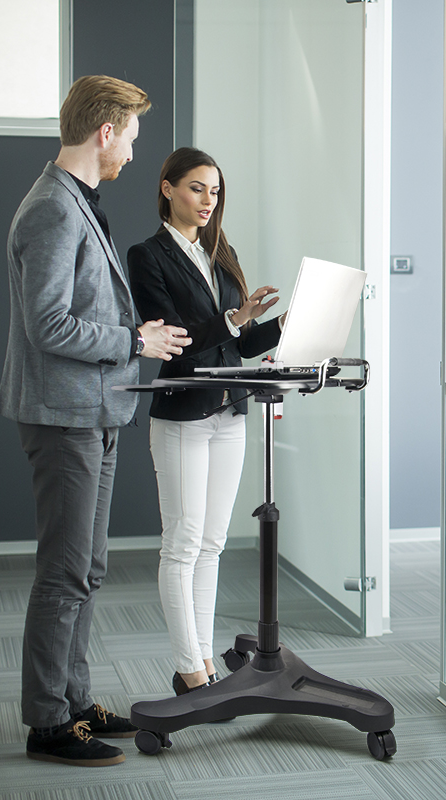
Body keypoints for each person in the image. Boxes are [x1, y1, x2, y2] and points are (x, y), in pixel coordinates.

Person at [0, 75, 191, 767]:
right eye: (131, 140)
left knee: (90, 567)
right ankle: (48, 722)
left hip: (96, 409)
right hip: (64, 415)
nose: (134, 155)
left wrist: (131, 333)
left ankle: (75, 703)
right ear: (105, 132)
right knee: (64, 570)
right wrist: (134, 343)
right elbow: (48, 324)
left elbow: (79, 309)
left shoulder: (76, 201)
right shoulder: (51, 209)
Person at [127, 147, 283, 699]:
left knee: (213, 542)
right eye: (196, 188)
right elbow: (178, 338)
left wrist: (285, 323)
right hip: (183, 412)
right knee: (184, 541)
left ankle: (204, 662)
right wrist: (235, 319)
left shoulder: (222, 252)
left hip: (228, 411)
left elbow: (238, 342)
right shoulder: (147, 256)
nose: (207, 201)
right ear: (168, 189)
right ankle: (188, 665)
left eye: (214, 191)